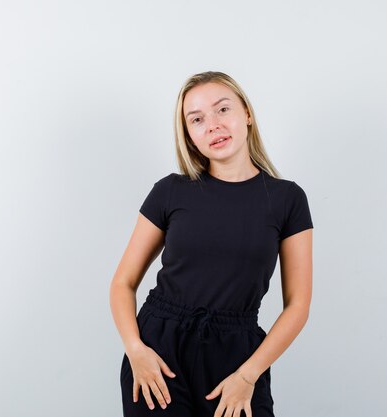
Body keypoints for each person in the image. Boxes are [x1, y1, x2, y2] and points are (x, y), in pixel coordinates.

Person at [109, 71, 314, 417]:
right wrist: (135, 350)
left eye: (223, 110)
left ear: (246, 114)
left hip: (239, 359)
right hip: (159, 353)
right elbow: (122, 282)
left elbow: (298, 305)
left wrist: (248, 376)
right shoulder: (170, 191)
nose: (213, 125)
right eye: (197, 119)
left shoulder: (287, 200)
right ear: (189, 136)